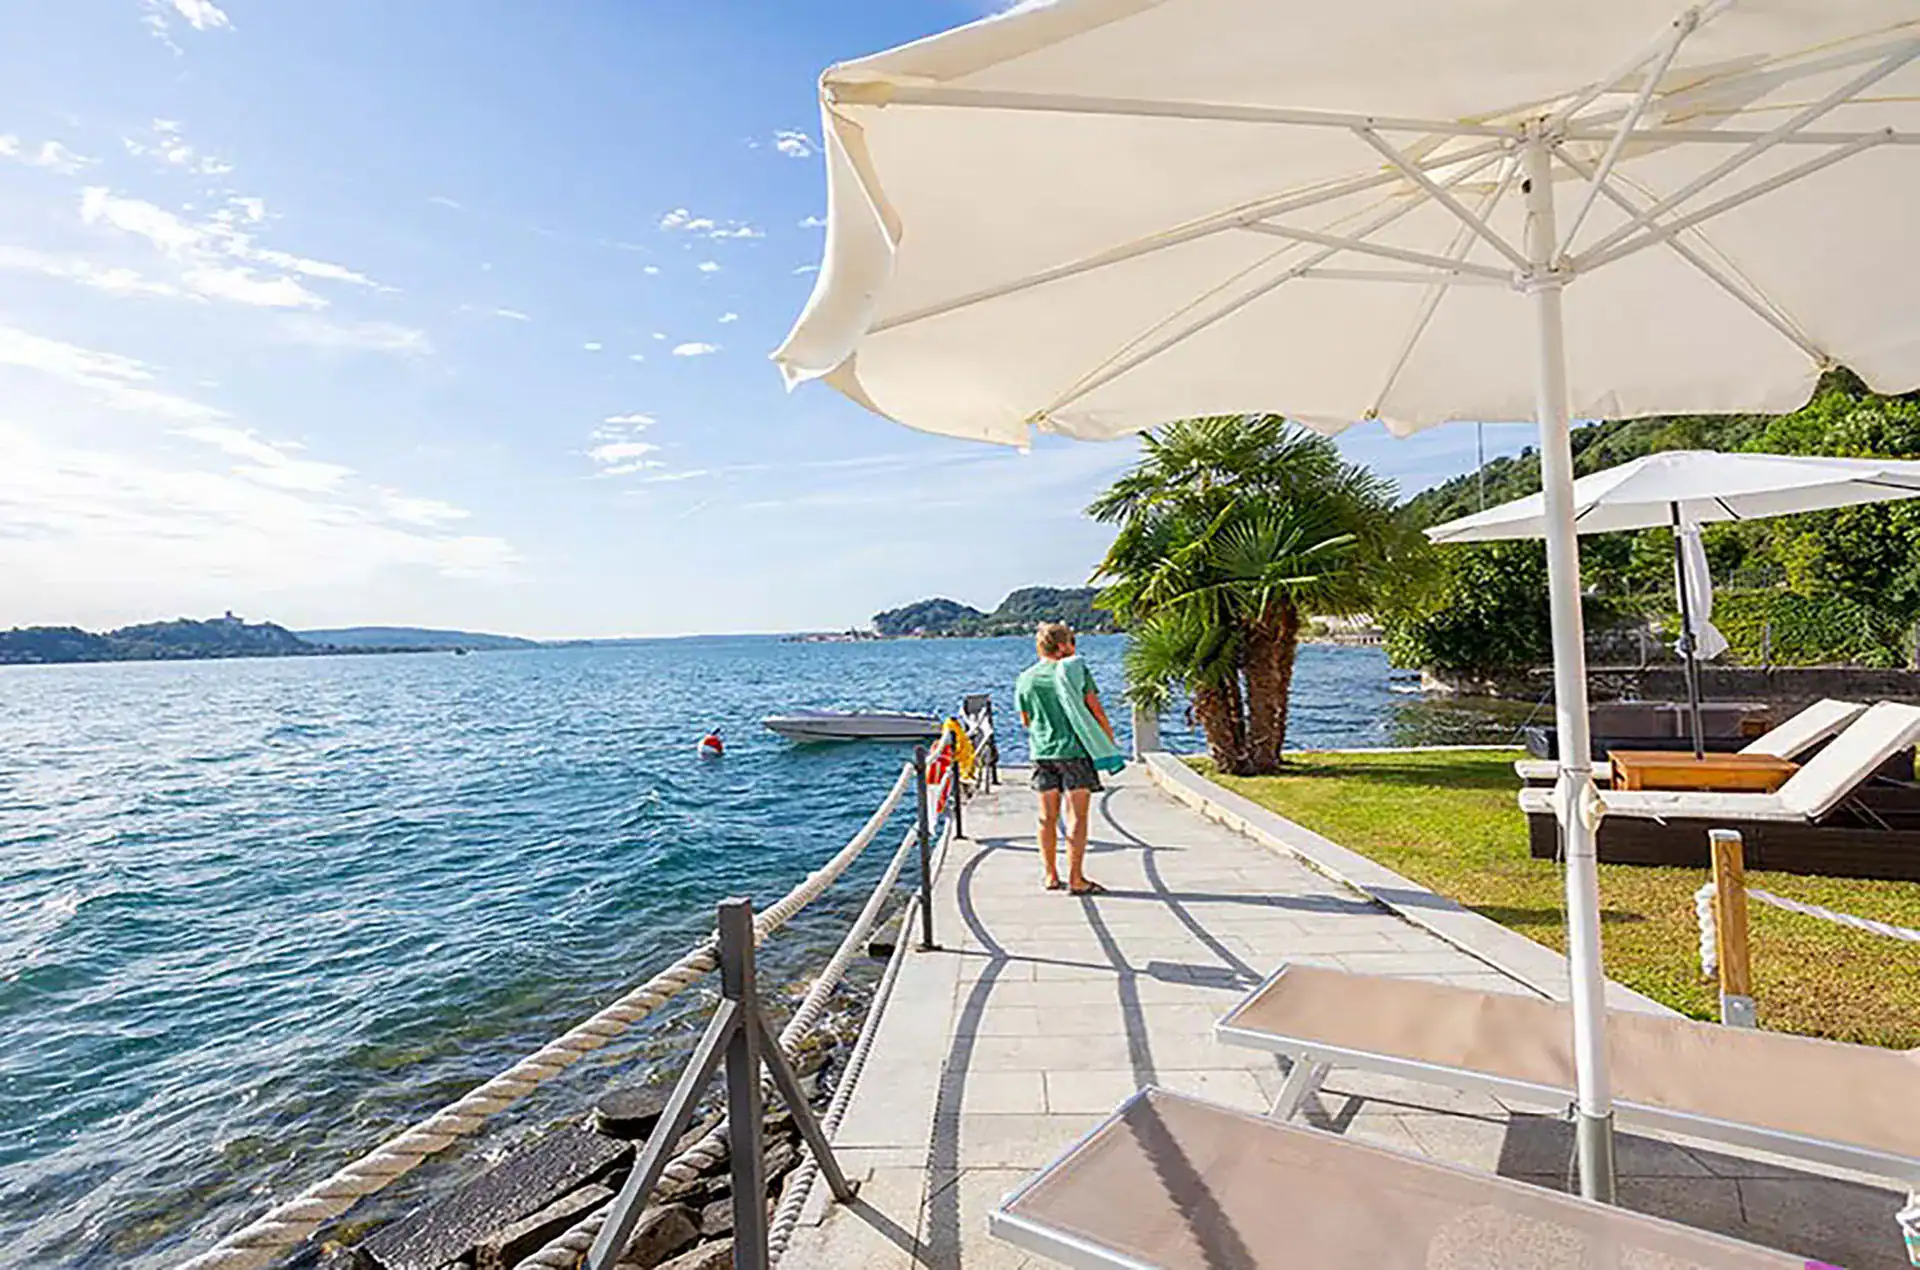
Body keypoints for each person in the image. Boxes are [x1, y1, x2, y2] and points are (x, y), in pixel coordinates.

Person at [1015, 621, 1117, 895]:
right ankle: (1076, 879)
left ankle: (1050, 875)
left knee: (1047, 817)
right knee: (1077, 817)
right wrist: (1109, 742)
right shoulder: (1074, 671)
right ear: (1062, 646)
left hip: (1042, 753)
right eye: (1073, 643)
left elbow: (1026, 720)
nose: (1075, 649)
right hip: (1074, 752)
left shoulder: (1026, 678)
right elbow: (1095, 710)